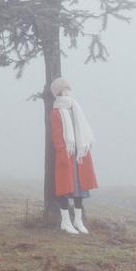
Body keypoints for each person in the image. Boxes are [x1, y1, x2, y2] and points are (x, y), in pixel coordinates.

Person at [50, 77, 98, 235]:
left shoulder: (74, 107)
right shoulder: (56, 111)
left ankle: (78, 220)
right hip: (66, 153)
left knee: (79, 187)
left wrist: (83, 146)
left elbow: (82, 129)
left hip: (78, 155)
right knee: (64, 187)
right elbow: (57, 135)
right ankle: (65, 221)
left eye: (67, 89)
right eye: (63, 89)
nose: (66, 92)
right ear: (58, 92)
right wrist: (62, 151)